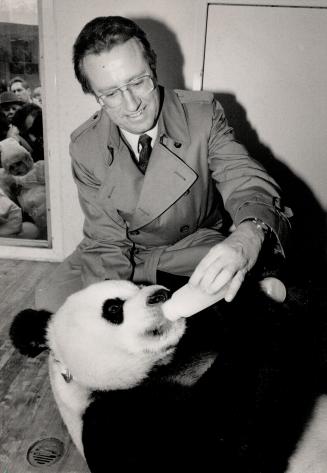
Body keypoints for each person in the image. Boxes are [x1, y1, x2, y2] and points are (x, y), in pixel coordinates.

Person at [35, 16, 292, 313]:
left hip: (190, 248)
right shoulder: (85, 146)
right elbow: (106, 240)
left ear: (153, 67)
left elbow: (243, 178)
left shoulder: (202, 117)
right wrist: (110, 310)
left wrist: (248, 234)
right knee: (52, 302)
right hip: (120, 251)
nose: (131, 105)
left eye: (138, 82)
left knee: (256, 294)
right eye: (111, 93)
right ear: (94, 95)